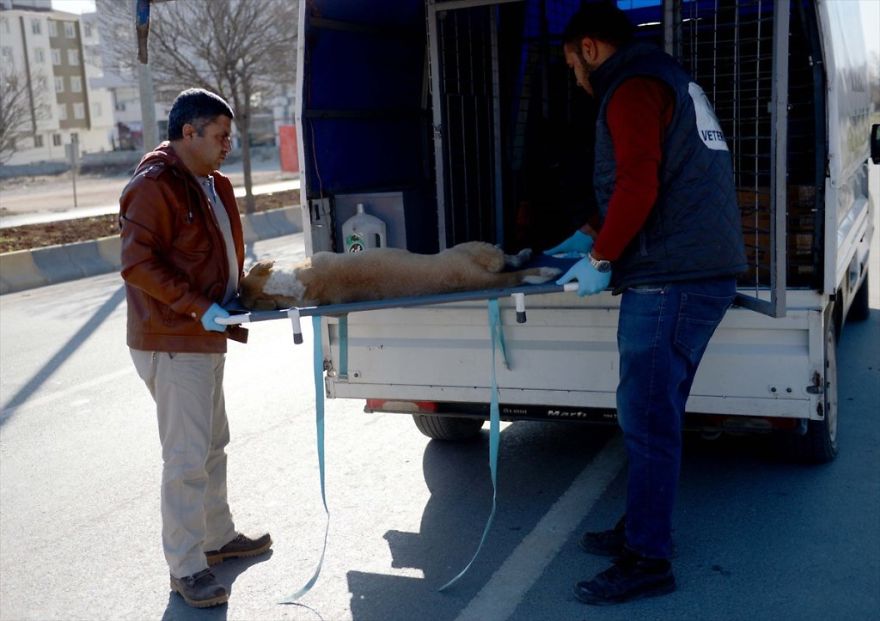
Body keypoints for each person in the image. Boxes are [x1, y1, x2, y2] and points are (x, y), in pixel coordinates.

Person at [547, 1, 747, 605]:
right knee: (653, 417)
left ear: (588, 47)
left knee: (648, 422)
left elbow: (639, 180)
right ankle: (642, 528)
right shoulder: (667, 78)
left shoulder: (632, 86)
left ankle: (648, 560)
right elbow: (659, 177)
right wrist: (591, 229)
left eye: (572, 64)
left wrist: (602, 259)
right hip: (695, 270)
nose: (575, 78)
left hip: (670, 281)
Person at [120, 88, 272, 609]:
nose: (228, 145)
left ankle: (216, 538)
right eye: (221, 135)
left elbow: (214, 253)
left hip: (205, 334)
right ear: (189, 132)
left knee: (212, 444)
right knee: (185, 457)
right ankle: (186, 567)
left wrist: (241, 291)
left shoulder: (212, 183)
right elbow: (138, 264)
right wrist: (196, 306)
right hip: (174, 338)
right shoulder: (155, 185)